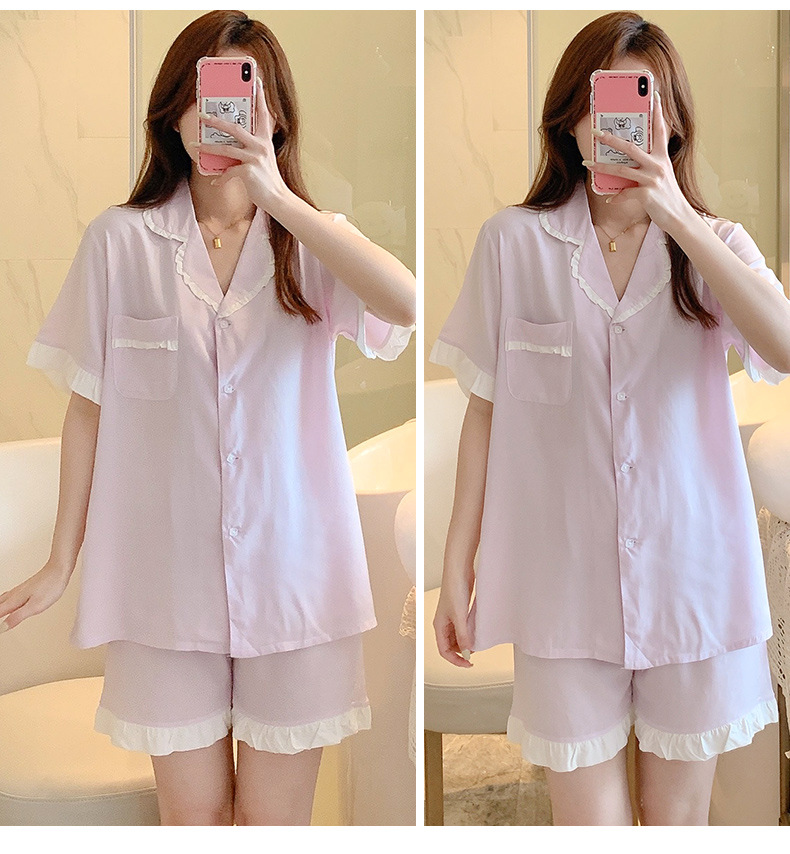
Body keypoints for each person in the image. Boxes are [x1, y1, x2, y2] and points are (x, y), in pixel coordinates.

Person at [8, 10, 415, 826]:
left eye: (241, 93)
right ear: (172, 111)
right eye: (202, 92)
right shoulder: (120, 243)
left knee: (272, 827)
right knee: (193, 826)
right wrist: (60, 559)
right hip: (163, 586)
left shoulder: (309, 244)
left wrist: (278, 197)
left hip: (295, 577)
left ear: (276, 115)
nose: (217, 114)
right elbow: (88, 408)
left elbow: (404, 304)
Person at [429, 11, 790, 826]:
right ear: (571, 119)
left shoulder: (713, 245)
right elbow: (484, 413)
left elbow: (785, 345)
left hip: (692, 579)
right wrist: (458, 563)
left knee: (676, 825)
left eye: (642, 104)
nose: (620, 125)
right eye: (605, 104)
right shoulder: (513, 244)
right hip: (561, 587)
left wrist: (677, 215)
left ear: (672, 124)